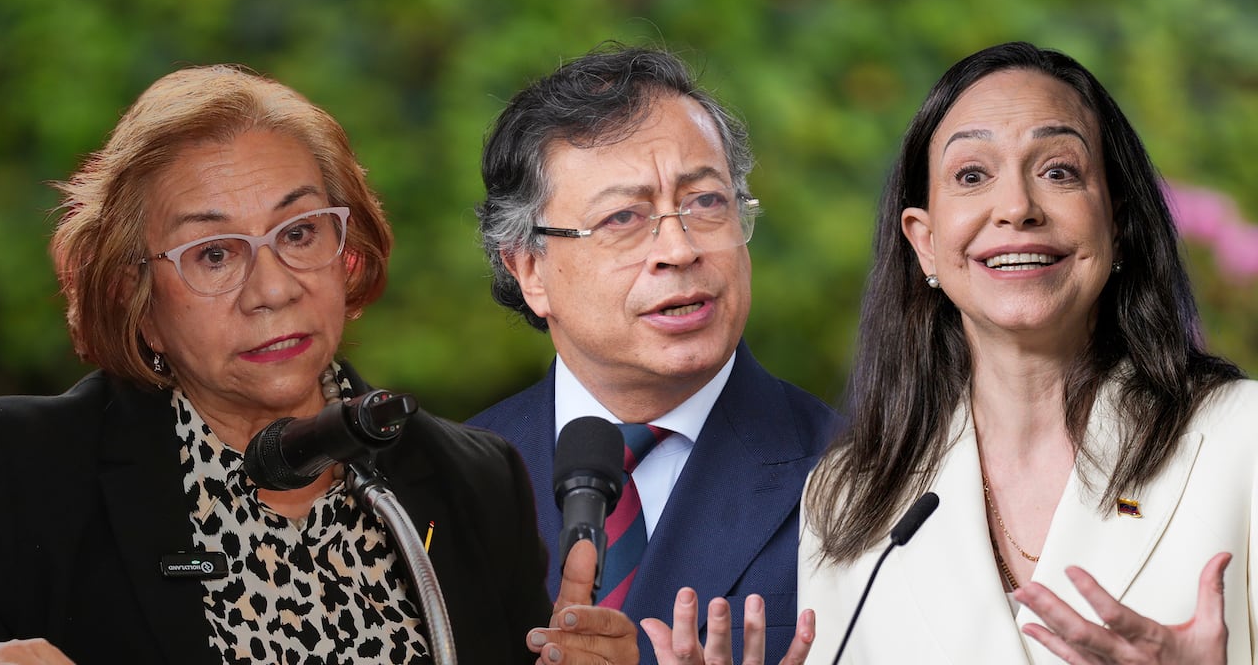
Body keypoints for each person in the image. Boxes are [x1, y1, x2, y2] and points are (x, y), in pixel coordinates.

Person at [0, 65, 637, 665]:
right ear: (136, 296)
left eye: (298, 234)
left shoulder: (472, 480)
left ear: (347, 255)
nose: (273, 289)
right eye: (214, 254)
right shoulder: (16, 470)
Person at [799, 41, 1258, 664]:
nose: (1016, 208)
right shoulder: (848, 496)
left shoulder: (1242, 438)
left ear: (1116, 223)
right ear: (925, 243)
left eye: (1058, 171)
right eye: (971, 175)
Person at [472, 44, 836, 664]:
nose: (679, 247)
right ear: (530, 268)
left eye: (706, 203)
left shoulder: (860, 476)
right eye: (623, 218)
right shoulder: (450, 484)